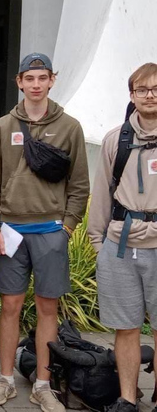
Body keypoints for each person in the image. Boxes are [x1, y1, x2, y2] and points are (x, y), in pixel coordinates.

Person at [0, 53, 89, 412]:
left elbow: (80, 185)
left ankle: (43, 384)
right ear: (19, 82)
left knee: (47, 308)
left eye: (43, 78)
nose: (36, 84)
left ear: (52, 80)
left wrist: (68, 226)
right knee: (10, 306)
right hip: (10, 231)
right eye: (30, 78)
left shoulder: (70, 126)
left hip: (51, 231)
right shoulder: (2, 126)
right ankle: (6, 380)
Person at [88, 63, 157, 412]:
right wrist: (98, 243)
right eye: (142, 89)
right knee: (125, 328)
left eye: (155, 89)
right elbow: (102, 191)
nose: (149, 95)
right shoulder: (117, 139)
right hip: (120, 245)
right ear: (132, 95)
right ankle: (127, 398)